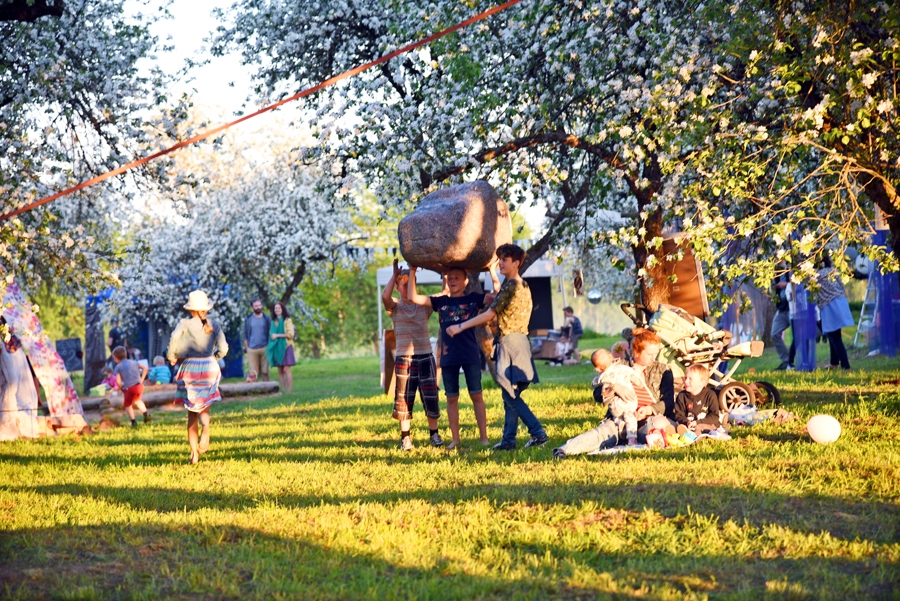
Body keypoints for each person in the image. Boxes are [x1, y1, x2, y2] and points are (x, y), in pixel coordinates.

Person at [448, 244, 548, 451]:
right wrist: (493, 272)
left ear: (516, 263)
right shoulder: (522, 285)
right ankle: (508, 440)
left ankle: (538, 433)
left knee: (509, 394)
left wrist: (460, 326)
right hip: (521, 342)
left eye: (504, 260)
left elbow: (489, 314)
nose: (501, 262)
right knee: (509, 394)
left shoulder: (511, 286)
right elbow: (498, 295)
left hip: (509, 343)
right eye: (500, 259)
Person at [408, 265, 499, 449]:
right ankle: (455, 439)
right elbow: (413, 297)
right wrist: (412, 271)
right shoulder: (440, 301)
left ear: (466, 281)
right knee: (451, 398)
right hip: (448, 356)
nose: (452, 281)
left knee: (476, 395)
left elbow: (498, 296)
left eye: (457, 278)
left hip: (470, 354)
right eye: (449, 278)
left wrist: (492, 270)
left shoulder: (474, 299)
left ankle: (484, 437)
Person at [553, 327, 674, 457]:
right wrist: (615, 388)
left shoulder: (663, 370)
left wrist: (649, 409)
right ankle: (564, 450)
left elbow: (668, 402)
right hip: (619, 420)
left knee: (653, 428)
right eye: (650, 354)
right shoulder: (617, 367)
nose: (653, 358)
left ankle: (637, 438)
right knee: (602, 433)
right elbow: (597, 393)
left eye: (656, 354)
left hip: (646, 421)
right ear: (636, 352)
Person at [382, 260, 443, 451]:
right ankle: (406, 438)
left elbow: (444, 294)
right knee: (404, 398)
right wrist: (394, 275)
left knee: (430, 396)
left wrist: (443, 272)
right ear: (397, 288)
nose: (407, 289)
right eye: (403, 285)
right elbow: (385, 296)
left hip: (425, 356)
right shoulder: (396, 306)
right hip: (404, 358)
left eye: (410, 284)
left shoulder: (423, 305)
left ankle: (434, 434)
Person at [166, 290, 229, 465]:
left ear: (190, 309)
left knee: (192, 412)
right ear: (206, 308)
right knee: (204, 409)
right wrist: (214, 358)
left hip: (190, 368)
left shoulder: (184, 324)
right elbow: (224, 349)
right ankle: (206, 429)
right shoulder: (214, 324)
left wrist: (171, 356)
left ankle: (194, 454)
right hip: (210, 367)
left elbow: (174, 338)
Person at [590, 348, 641, 445]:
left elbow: (595, 385)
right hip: (628, 401)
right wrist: (636, 370)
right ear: (611, 357)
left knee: (616, 417)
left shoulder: (601, 377)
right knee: (630, 417)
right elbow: (634, 376)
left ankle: (620, 424)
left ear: (597, 369)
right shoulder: (621, 368)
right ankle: (632, 438)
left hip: (614, 406)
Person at [817, 257, 853, 370]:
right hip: (840, 302)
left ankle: (846, 366)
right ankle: (834, 363)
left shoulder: (816, 276)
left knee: (834, 337)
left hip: (829, 306)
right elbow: (842, 286)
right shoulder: (833, 270)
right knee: (834, 335)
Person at [673, 364, 720, 433]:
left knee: (698, 428)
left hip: (706, 424)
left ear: (702, 383)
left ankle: (692, 436)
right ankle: (676, 432)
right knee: (675, 424)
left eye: (690, 379)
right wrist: (687, 422)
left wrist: (697, 422)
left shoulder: (710, 395)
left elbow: (714, 416)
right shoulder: (682, 395)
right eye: (685, 378)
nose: (686, 381)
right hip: (688, 424)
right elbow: (679, 415)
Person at [111, 345, 151, 427]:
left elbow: (118, 381)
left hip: (130, 388)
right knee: (137, 400)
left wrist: (122, 388)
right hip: (139, 386)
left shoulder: (118, 367)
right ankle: (146, 415)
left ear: (116, 358)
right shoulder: (134, 362)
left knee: (128, 405)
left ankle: (133, 422)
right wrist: (142, 379)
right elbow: (145, 368)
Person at [266, 301, 296, 394]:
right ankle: (283, 390)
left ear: (282, 309)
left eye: (279, 308)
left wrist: (277, 335)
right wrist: (272, 337)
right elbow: (271, 334)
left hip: (286, 346)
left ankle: (289, 391)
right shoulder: (273, 322)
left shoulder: (287, 320)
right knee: (280, 370)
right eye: (275, 308)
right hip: (277, 347)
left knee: (286, 369)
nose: (277, 310)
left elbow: (290, 334)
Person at [242, 299, 271, 382]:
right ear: (252, 307)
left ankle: (267, 388)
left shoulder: (266, 318)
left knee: (265, 372)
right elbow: (244, 334)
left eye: (259, 305)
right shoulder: (248, 319)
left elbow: (271, 332)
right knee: (253, 373)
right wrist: (247, 347)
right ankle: (255, 388)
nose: (258, 307)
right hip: (252, 349)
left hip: (264, 347)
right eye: (256, 306)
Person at [770, 272, 793, 370]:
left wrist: (786, 284)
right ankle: (786, 361)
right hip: (781, 308)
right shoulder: (775, 270)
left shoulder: (793, 266)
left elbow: (801, 283)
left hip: (793, 307)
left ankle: (795, 362)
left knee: (798, 335)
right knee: (774, 333)